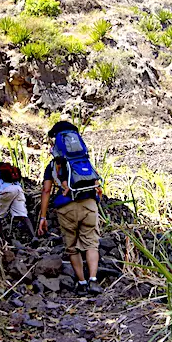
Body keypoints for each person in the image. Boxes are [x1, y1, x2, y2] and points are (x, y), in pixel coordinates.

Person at [38, 121, 102, 295]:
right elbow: (95, 183)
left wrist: (43, 217)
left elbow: (46, 191)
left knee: (72, 247)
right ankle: (93, 281)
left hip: (65, 207)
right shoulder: (83, 160)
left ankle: (81, 283)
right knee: (91, 244)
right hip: (88, 203)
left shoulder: (53, 166)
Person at [0, 155, 36, 242]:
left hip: (6, 190)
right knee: (23, 214)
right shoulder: (0, 166)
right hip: (18, 189)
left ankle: (2, 240)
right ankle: (33, 236)